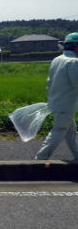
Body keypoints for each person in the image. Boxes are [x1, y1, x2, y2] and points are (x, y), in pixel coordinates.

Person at [35, 32, 78, 160]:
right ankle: (40, 159)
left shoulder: (57, 60)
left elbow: (49, 82)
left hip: (57, 103)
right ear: (76, 47)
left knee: (70, 133)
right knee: (58, 131)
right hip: (66, 105)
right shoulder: (74, 62)